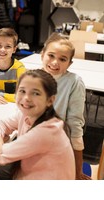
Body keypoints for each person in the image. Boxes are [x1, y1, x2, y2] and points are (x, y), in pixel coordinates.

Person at [0, 69, 75, 180]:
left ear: (50, 100)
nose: (26, 98)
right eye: (22, 91)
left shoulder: (46, 132)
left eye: (36, 93)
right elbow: (2, 123)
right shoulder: (26, 114)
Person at [40, 33, 89, 180]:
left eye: (62, 59)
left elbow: (75, 125)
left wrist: (77, 170)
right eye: (51, 56)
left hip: (60, 143)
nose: (55, 62)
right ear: (42, 55)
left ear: (69, 63)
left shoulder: (74, 82)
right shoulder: (33, 77)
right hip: (34, 140)